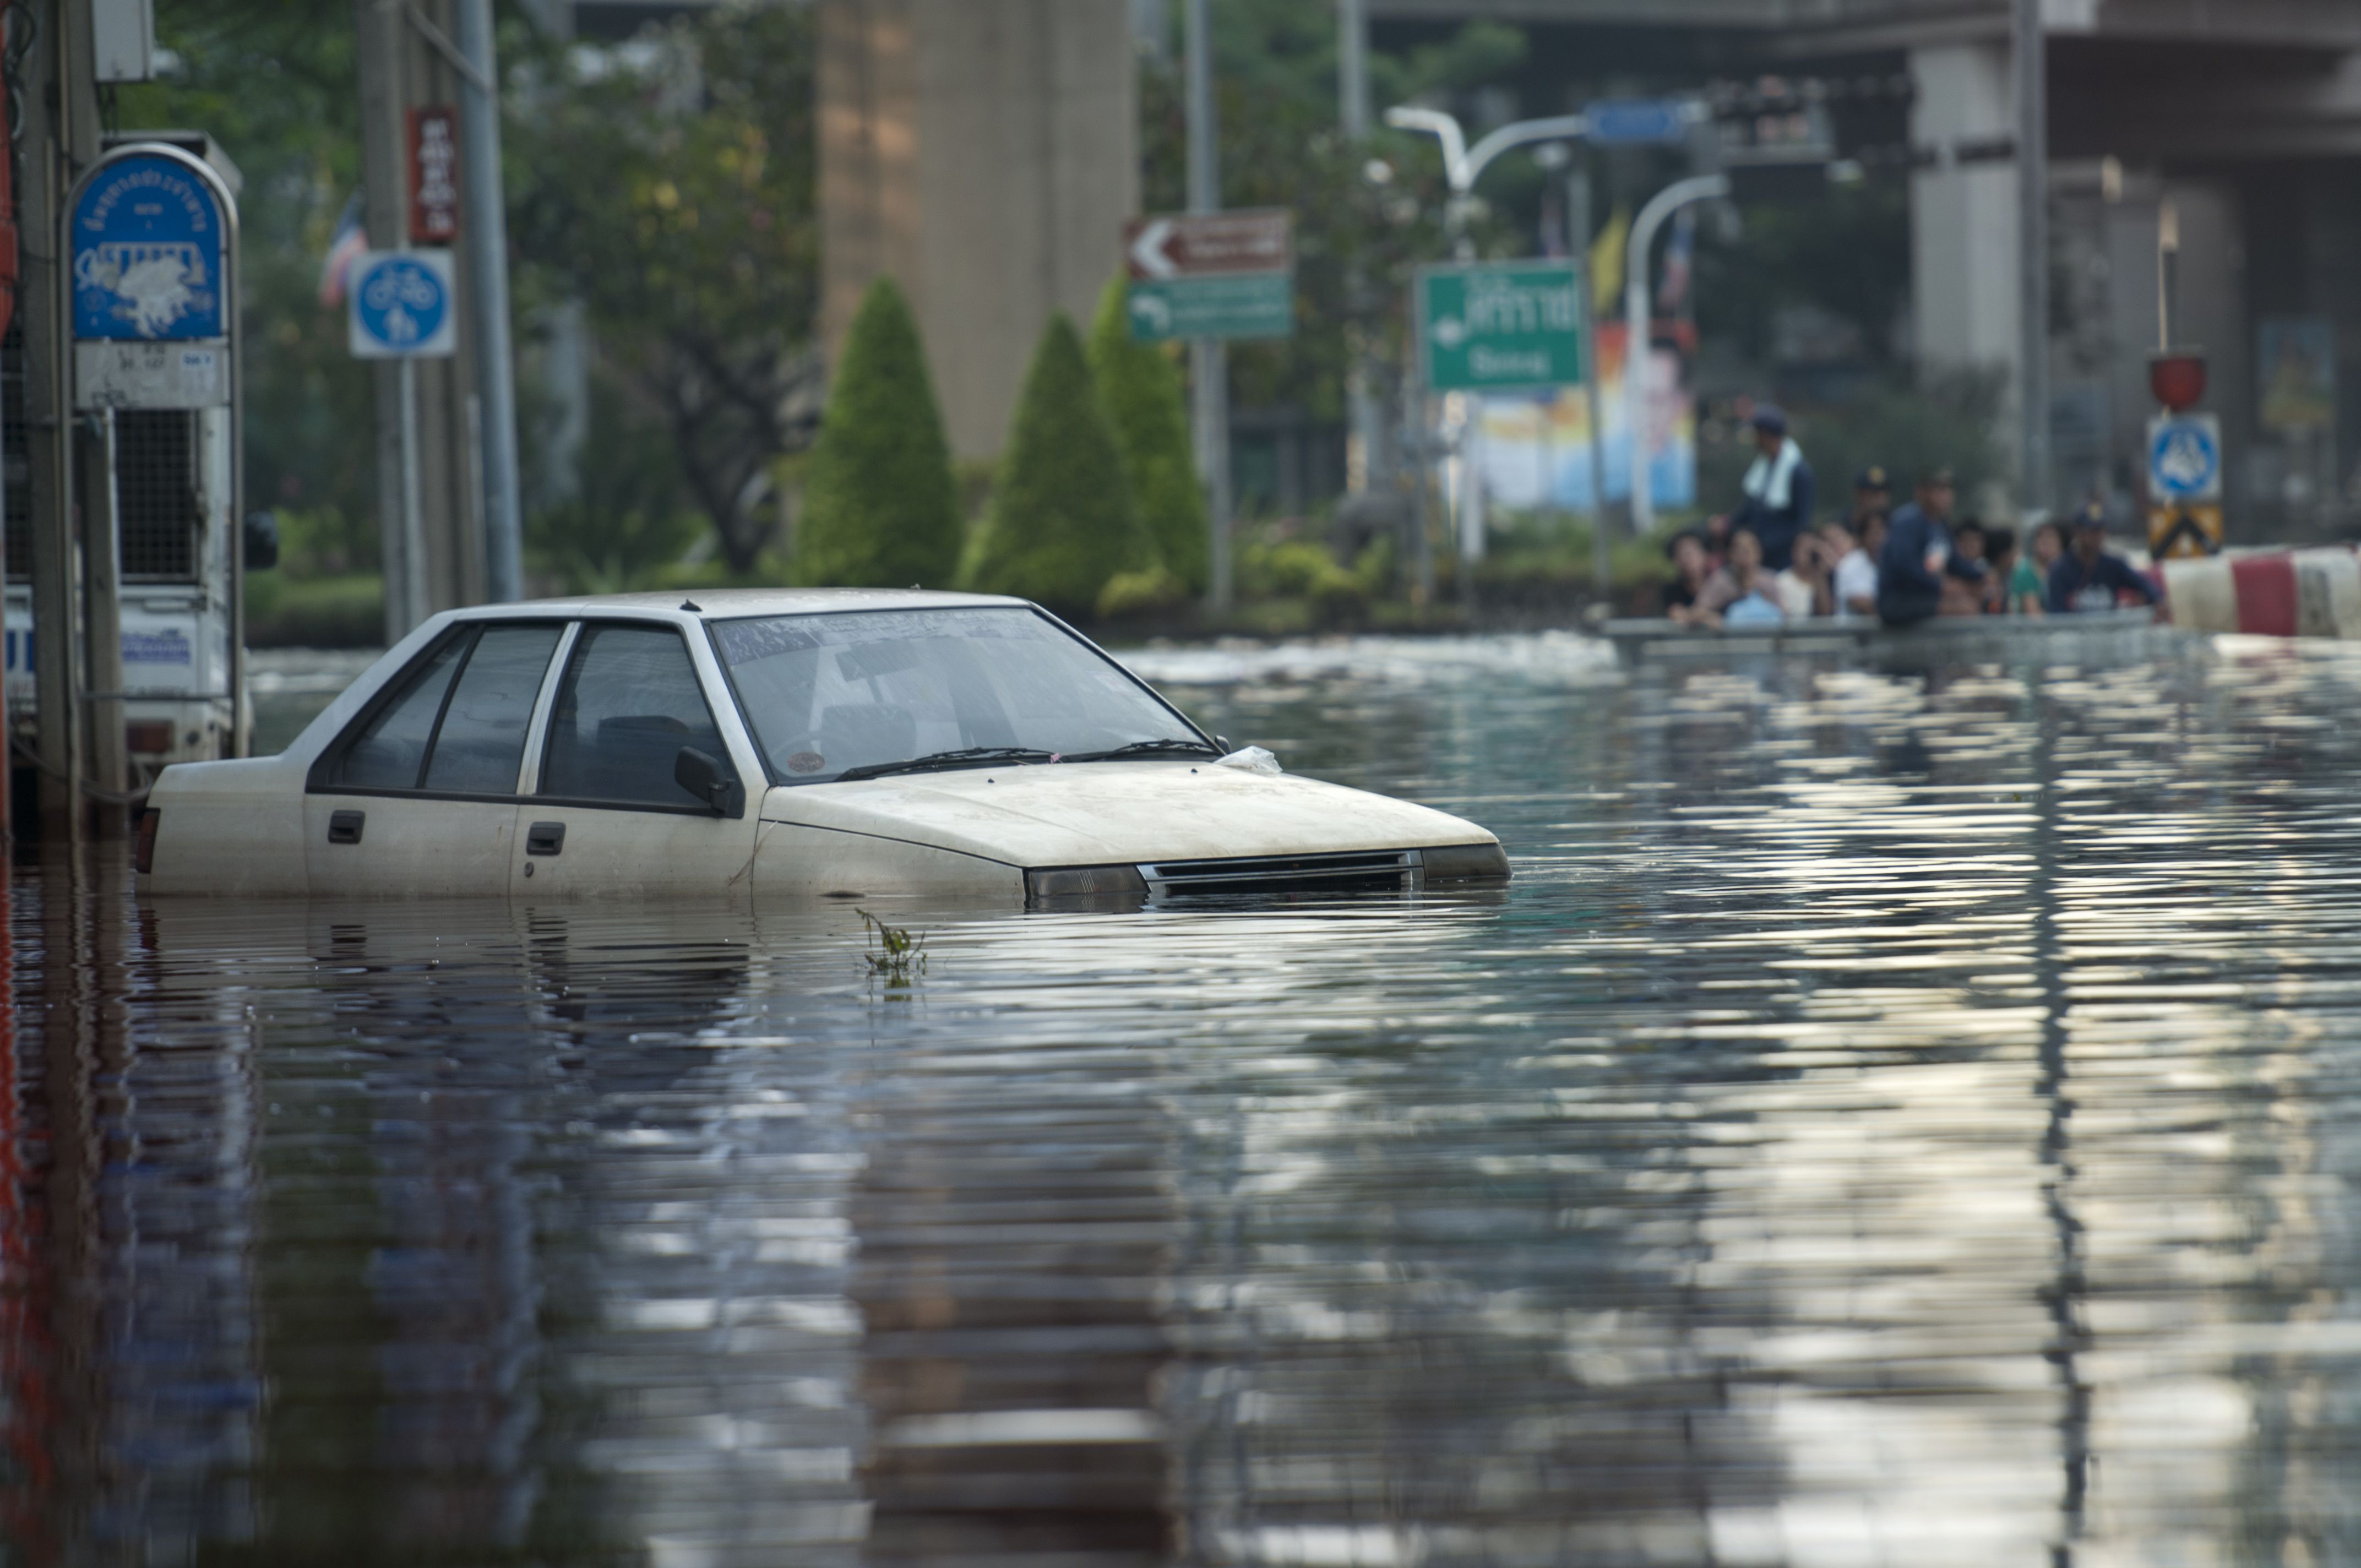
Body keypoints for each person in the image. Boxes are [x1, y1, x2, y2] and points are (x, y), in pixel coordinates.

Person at [1876, 467, 1980, 627]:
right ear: (1922, 492)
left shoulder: (1941, 525)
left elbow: (1956, 563)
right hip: (1900, 600)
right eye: (1938, 489)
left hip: (1926, 597)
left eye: (1947, 489)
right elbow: (1905, 565)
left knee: (1973, 600)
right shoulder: (1907, 521)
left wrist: (1982, 576)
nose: (1944, 495)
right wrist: (1942, 586)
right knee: (1961, 609)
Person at [1732, 405, 1815, 573]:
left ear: (1767, 436)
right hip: (1757, 556)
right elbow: (1751, 507)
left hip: (1782, 560)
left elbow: (1802, 523)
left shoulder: (1799, 472)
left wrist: (1765, 543)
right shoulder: (1764, 466)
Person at [2047, 503, 2161, 613]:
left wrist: (2157, 602)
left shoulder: (2113, 565)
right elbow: (2057, 613)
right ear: (2077, 533)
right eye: (2092, 531)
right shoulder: (2061, 570)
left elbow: (2147, 587)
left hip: (2109, 631)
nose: (2097, 537)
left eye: (2101, 530)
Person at [1664, 529, 1736, 628]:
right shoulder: (1672, 590)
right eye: (1682, 554)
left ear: (1705, 555)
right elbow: (1676, 614)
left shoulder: (1720, 584)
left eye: (1692, 552)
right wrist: (1704, 616)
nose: (1688, 559)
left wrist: (1692, 615)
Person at [1720, 527, 1786, 625]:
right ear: (1731, 554)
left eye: (1749, 548)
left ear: (1759, 552)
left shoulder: (1770, 580)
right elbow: (1699, 611)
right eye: (1739, 548)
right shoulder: (1721, 581)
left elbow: (1785, 615)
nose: (1744, 554)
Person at [1773, 530, 1832, 619]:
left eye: (1811, 550)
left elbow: (1825, 613)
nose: (1808, 554)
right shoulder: (1781, 582)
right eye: (1804, 549)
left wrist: (1819, 570)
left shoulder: (1825, 578)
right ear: (1794, 552)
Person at [2012, 518, 2063, 616]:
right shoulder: (2026, 571)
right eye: (2041, 537)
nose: (2046, 541)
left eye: (2051, 537)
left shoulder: (2063, 570)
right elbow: (2033, 614)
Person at [1939, 519, 1988, 616]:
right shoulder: (1947, 571)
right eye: (1965, 540)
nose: (1970, 545)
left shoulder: (1986, 572)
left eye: (1975, 540)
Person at [1980, 525, 2019, 614]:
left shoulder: (2006, 575)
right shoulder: (1987, 578)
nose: (2016, 553)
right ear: (2002, 554)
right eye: (2012, 549)